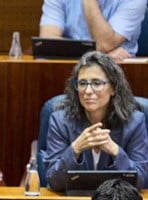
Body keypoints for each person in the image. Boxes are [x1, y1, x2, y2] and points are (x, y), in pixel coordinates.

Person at [42, 51, 148, 192]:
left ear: (113, 88)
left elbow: (139, 181)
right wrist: (75, 149)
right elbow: (54, 181)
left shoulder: (134, 122)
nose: (88, 91)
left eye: (97, 83)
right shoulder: (61, 121)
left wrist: (115, 150)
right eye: (82, 83)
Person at [39, 0, 145, 61]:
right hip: (69, 68)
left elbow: (104, 44)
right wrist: (99, 57)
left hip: (116, 72)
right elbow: (48, 44)